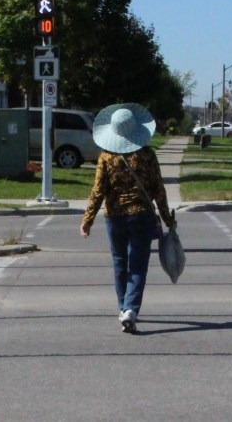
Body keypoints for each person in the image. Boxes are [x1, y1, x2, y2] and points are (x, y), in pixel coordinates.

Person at [80, 103, 176, 334]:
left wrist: (87, 220)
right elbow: (158, 189)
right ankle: (130, 309)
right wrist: (167, 218)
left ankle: (124, 307)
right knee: (138, 265)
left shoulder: (106, 157)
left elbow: (98, 191)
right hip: (141, 216)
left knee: (119, 263)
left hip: (114, 218)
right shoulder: (147, 155)